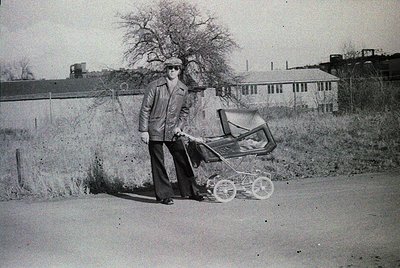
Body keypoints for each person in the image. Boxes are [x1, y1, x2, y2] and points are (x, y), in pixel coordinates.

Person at [138, 57, 204, 205]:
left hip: (173, 131)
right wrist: (144, 130)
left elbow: (185, 110)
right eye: (169, 68)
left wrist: (179, 126)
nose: (172, 71)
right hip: (155, 129)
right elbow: (145, 109)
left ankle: (191, 191)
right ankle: (164, 195)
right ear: (165, 69)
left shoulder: (183, 89)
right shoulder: (154, 86)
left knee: (182, 158)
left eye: (175, 68)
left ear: (179, 70)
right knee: (158, 162)